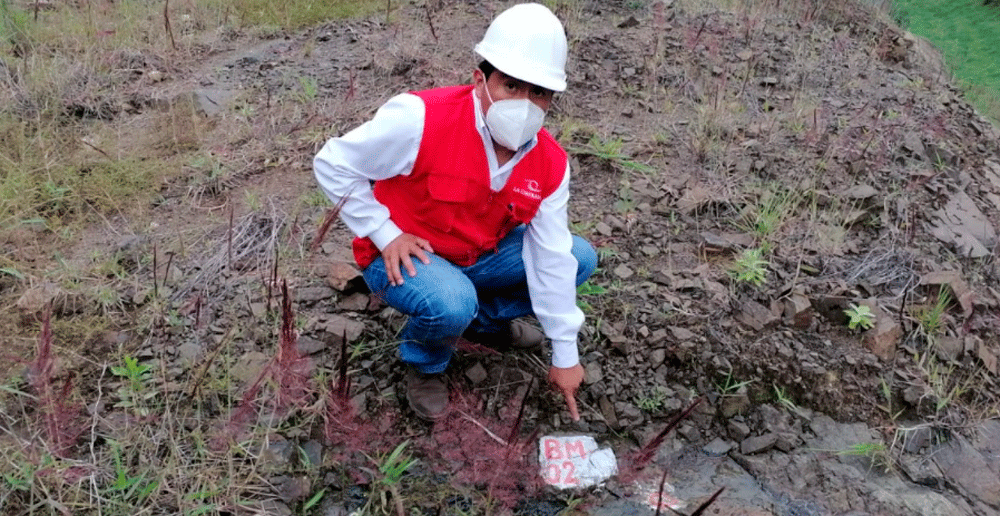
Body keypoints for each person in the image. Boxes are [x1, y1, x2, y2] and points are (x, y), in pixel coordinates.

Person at [313, 3, 597, 421]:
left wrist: (565, 354)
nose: (525, 103)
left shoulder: (551, 163)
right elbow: (333, 163)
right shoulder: (421, 119)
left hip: (478, 256)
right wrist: (383, 231)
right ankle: (425, 362)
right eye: (511, 86)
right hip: (404, 256)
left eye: (539, 92)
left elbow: (551, 255)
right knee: (450, 300)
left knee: (579, 257)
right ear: (480, 80)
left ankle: (479, 325)